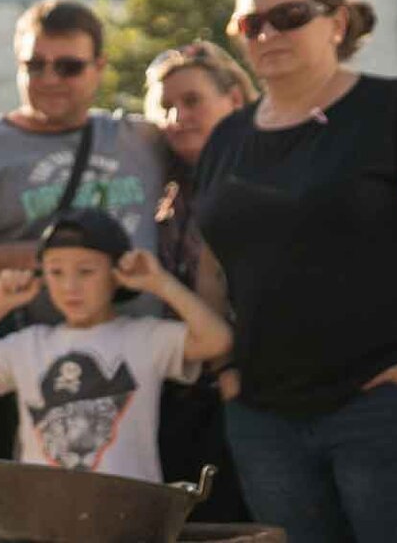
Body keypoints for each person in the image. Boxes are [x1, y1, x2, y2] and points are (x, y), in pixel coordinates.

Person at [194, 0, 397, 541]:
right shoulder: (228, 138)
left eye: (289, 16)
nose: (269, 34)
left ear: (337, 23)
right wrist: (225, 370)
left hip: (394, 409)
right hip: (267, 420)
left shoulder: (396, 109)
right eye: (251, 24)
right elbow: (210, 267)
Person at [0, 0, 169, 460]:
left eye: (68, 66)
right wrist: (52, 257)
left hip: (152, 369)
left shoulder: (142, 139)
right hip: (40, 382)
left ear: (99, 67)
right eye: (35, 65)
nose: (49, 79)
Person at [0, 209, 232, 481]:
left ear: (117, 274)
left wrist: (160, 283)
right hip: (43, 515)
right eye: (55, 272)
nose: (69, 286)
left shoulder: (146, 339)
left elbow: (217, 340)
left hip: (130, 511)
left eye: (86, 271)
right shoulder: (29, 345)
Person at [142, 41, 256, 521]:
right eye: (166, 106)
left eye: (192, 101)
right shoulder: (165, 191)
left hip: (256, 387)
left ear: (233, 100)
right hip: (183, 393)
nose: (177, 116)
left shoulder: (260, 174)